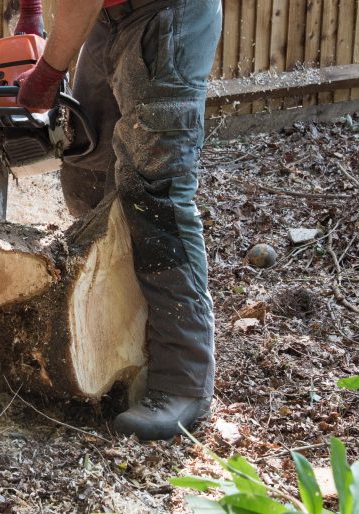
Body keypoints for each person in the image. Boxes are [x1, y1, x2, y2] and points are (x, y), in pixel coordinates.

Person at [14, 0, 222, 440]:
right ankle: (115, 331)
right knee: (87, 164)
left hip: (166, 14)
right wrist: (30, 11)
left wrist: (48, 73)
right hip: (111, 17)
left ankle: (182, 383)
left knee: (155, 195)